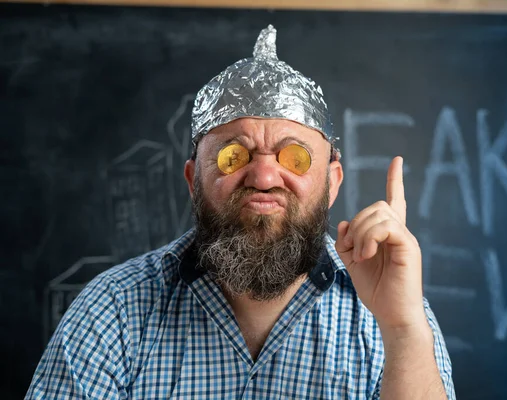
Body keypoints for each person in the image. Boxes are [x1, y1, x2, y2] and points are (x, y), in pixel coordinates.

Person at [26, 25, 455, 399]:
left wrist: (401, 330)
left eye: (295, 157)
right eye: (234, 156)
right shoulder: (112, 312)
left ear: (332, 183)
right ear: (194, 180)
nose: (264, 177)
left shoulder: (394, 317)